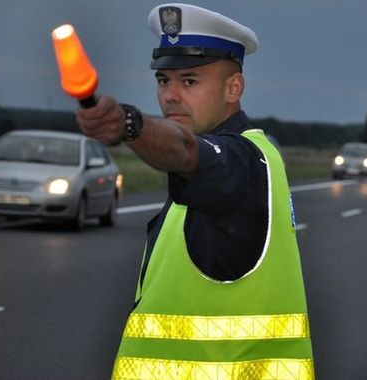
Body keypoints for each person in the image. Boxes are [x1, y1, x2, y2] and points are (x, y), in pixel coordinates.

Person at [75, 4, 314, 379]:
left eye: (189, 81)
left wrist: (129, 124)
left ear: (233, 88)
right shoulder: (252, 158)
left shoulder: (240, 160)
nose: (170, 95)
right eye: (163, 80)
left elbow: (184, 150)